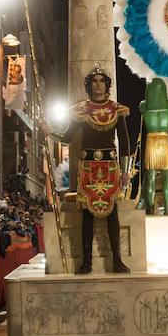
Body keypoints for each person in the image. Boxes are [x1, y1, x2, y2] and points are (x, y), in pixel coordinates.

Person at [54, 63, 131, 274]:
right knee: (87, 213)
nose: (98, 85)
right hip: (87, 167)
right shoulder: (81, 110)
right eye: (94, 81)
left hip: (111, 167)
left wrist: (125, 171)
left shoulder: (117, 110)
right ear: (90, 86)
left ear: (107, 85)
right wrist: (49, 130)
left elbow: (125, 142)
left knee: (112, 214)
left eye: (102, 81)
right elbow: (67, 137)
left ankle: (117, 261)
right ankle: (86, 262)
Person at [137, 78, 168, 215]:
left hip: (151, 140)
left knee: (151, 177)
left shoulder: (144, 106)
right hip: (165, 140)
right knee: (166, 177)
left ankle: (151, 209)